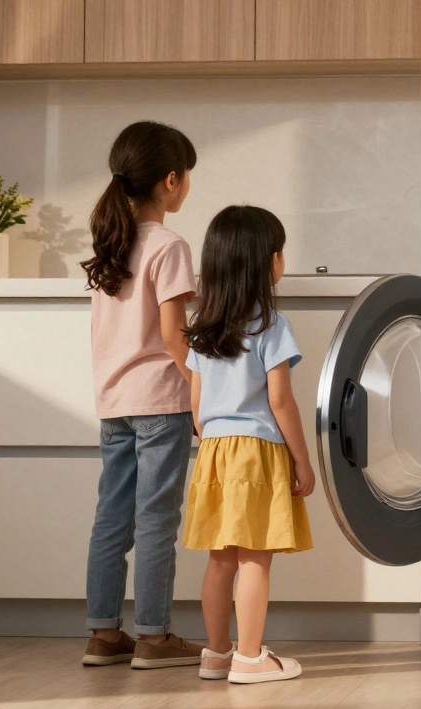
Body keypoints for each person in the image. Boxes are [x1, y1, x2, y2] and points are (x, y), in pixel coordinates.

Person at [81, 121, 206, 667]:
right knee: (156, 521)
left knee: (112, 518)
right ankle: (153, 637)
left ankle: (104, 634)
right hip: (160, 401)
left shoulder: (111, 242)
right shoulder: (169, 245)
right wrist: (201, 389)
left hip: (115, 404)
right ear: (172, 181)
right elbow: (175, 335)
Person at [182, 205, 315, 684]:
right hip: (257, 451)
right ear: (269, 263)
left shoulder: (201, 329)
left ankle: (217, 654)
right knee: (255, 557)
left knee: (220, 559)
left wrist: (215, 439)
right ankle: (251, 658)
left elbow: (195, 407)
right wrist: (303, 461)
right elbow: (281, 401)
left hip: (214, 452)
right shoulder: (271, 326)